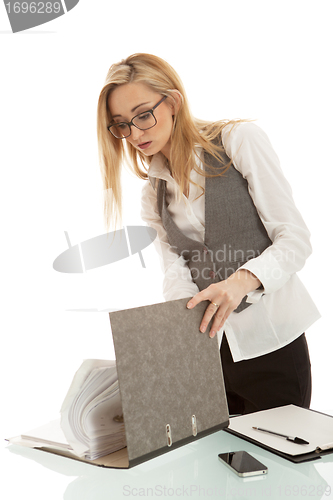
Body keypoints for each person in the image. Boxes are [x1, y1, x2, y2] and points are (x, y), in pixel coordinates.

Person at [97, 53, 320, 415]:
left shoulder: (238, 141)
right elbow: (176, 270)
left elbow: (294, 239)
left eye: (143, 115)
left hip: (273, 344)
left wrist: (240, 282)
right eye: (121, 124)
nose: (135, 134)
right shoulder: (151, 196)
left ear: (172, 102)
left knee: (280, 467)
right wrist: (179, 320)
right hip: (210, 358)